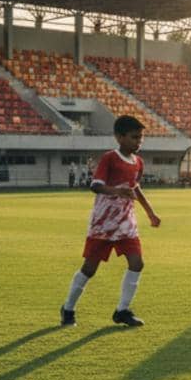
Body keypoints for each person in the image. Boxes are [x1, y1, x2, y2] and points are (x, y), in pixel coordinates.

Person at [60, 115, 161, 328]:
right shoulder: (110, 158)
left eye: (141, 137)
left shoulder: (138, 162)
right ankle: (68, 308)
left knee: (137, 263)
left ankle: (122, 311)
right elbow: (95, 185)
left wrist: (150, 212)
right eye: (134, 137)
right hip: (104, 224)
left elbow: (135, 188)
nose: (138, 141)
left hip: (126, 222)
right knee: (90, 268)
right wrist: (117, 191)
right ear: (119, 137)